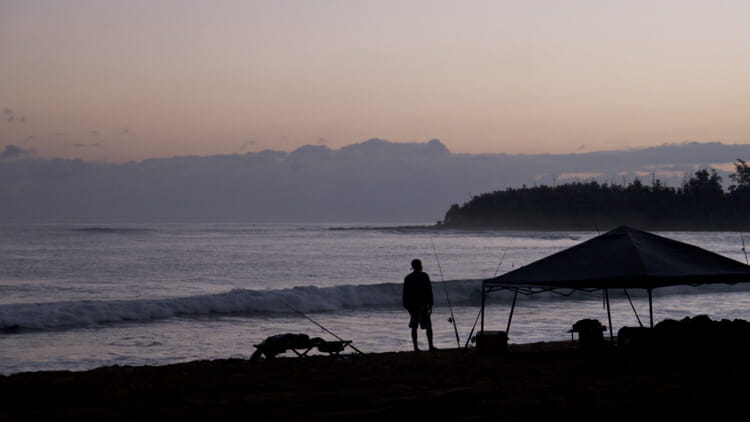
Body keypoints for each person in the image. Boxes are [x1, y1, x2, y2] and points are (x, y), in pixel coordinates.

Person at [403, 258, 436, 351]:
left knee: (414, 327)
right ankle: (430, 346)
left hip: (413, 306)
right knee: (428, 326)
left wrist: (407, 307)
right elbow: (429, 291)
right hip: (423, 305)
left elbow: (405, 295)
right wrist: (431, 304)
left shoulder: (408, 278)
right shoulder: (424, 276)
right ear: (420, 266)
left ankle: (415, 347)